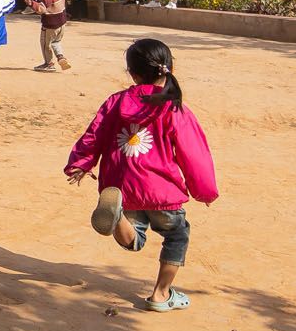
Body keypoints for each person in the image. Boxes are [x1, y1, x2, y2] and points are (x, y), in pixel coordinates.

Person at [66, 38, 219, 313]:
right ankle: (161, 294)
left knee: (134, 240)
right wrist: (204, 191)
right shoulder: (174, 108)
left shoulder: (115, 102)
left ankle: (118, 216)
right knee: (176, 236)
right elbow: (193, 154)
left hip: (123, 187)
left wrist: (82, 163)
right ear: (168, 68)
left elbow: (94, 136)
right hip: (162, 191)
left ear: (132, 73)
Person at [29, 0, 72, 72]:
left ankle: (49, 64)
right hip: (61, 23)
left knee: (45, 44)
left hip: (50, 25)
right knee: (56, 42)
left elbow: (41, 10)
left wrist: (31, 4)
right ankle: (60, 57)